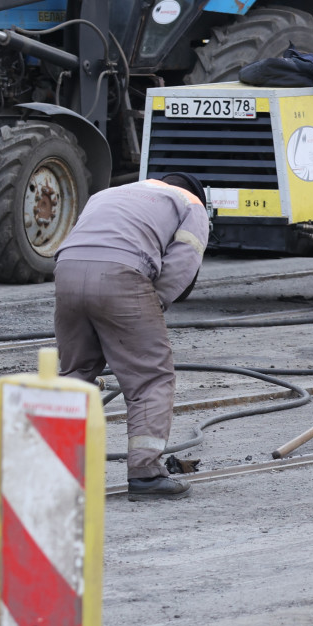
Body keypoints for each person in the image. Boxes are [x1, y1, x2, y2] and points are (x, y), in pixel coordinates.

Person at [54, 174, 209, 499]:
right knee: (150, 377)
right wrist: (151, 307)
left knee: (75, 374)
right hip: (123, 273)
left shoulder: (113, 192)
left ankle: (56, 467)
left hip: (66, 270)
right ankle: (145, 472)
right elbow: (183, 262)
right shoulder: (192, 205)